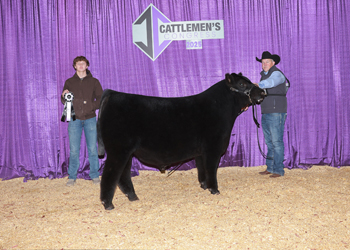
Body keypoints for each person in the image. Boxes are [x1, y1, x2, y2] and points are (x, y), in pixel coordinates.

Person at [61, 56, 103, 186]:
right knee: (74, 149)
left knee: (92, 148)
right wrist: (63, 96)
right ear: (74, 66)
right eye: (78, 63)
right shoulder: (69, 82)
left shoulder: (94, 82)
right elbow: (64, 100)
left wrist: (91, 106)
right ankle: (72, 176)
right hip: (74, 120)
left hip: (90, 118)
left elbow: (101, 99)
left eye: (83, 63)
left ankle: (95, 175)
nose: (80, 65)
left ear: (86, 66)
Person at [255, 51, 289, 178]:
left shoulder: (277, 74)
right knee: (270, 142)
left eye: (267, 61)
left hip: (276, 111)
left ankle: (279, 170)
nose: (264, 64)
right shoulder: (264, 75)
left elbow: (271, 83)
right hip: (266, 111)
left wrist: (257, 85)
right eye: (263, 62)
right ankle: (270, 167)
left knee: (276, 141)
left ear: (273, 63)